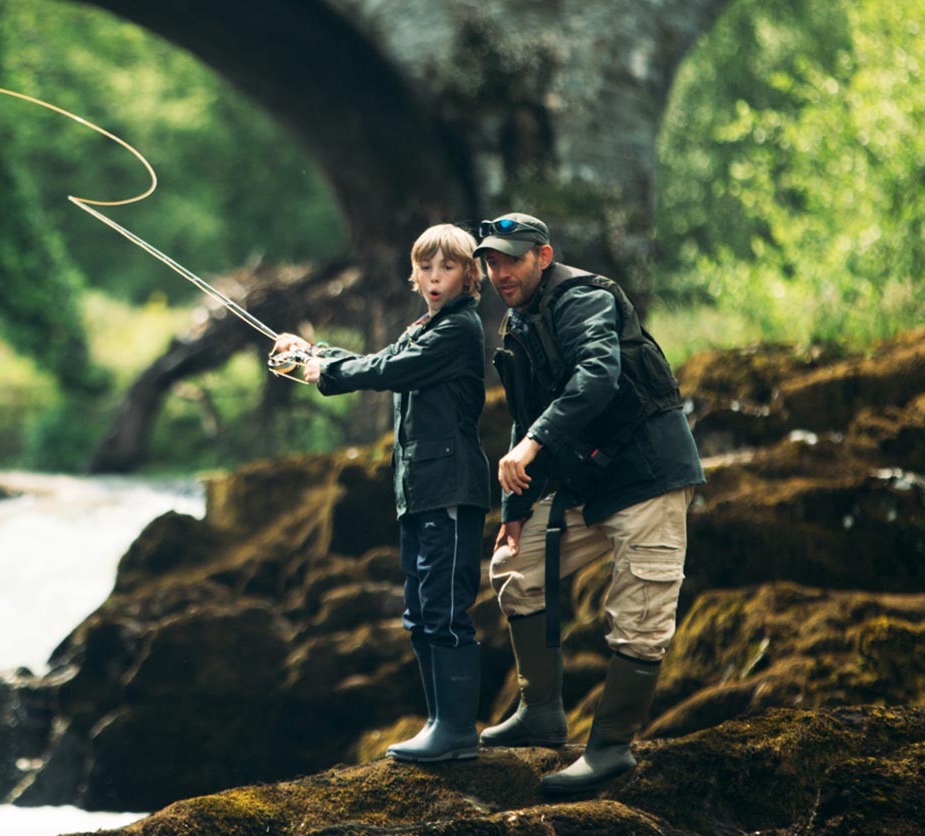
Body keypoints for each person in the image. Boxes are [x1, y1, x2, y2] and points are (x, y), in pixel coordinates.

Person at [472, 212, 705, 797]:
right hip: (590, 484)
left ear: (543, 257)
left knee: (639, 615)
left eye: (511, 259)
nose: (500, 272)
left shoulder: (584, 299)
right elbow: (525, 418)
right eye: (491, 262)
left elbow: (598, 374)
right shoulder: (519, 323)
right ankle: (541, 715)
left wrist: (533, 443)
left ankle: (609, 749)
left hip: (649, 476)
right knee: (516, 567)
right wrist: (514, 511)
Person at [270, 223, 493, 763]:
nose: (435, 278)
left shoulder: (459, 329)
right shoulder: (424, 327)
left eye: (448, 268)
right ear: (414, 274)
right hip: (418, 490)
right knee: (419, 611)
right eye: (426, 268)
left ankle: (456, 732)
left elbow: (391, 369)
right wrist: (312, 351)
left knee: (444, 610)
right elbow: (380, 357)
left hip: (450, 489)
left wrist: (323, 371)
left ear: (469, 276)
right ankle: (440, 723)